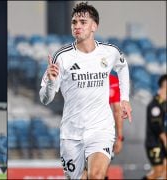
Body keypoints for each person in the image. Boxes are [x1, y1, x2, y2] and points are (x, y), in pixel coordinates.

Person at [39, 2, 132, 179]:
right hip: (71, 133)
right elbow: (45, 99)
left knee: (96, 176)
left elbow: (123, 66)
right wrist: (51, 83)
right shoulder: (62, 57)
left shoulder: (109, 52)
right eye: (74, 22)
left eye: (83, 22)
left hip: (101, 129)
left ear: (94, 26)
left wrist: (125, 98)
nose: (77, 26)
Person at [142, 74, 166, 180]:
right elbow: (156, 125)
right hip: (155, 144)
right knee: (158, 171)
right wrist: (165, 140)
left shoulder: (164, 104)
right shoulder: (155, 105)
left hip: (162, 144)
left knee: (165, 171)